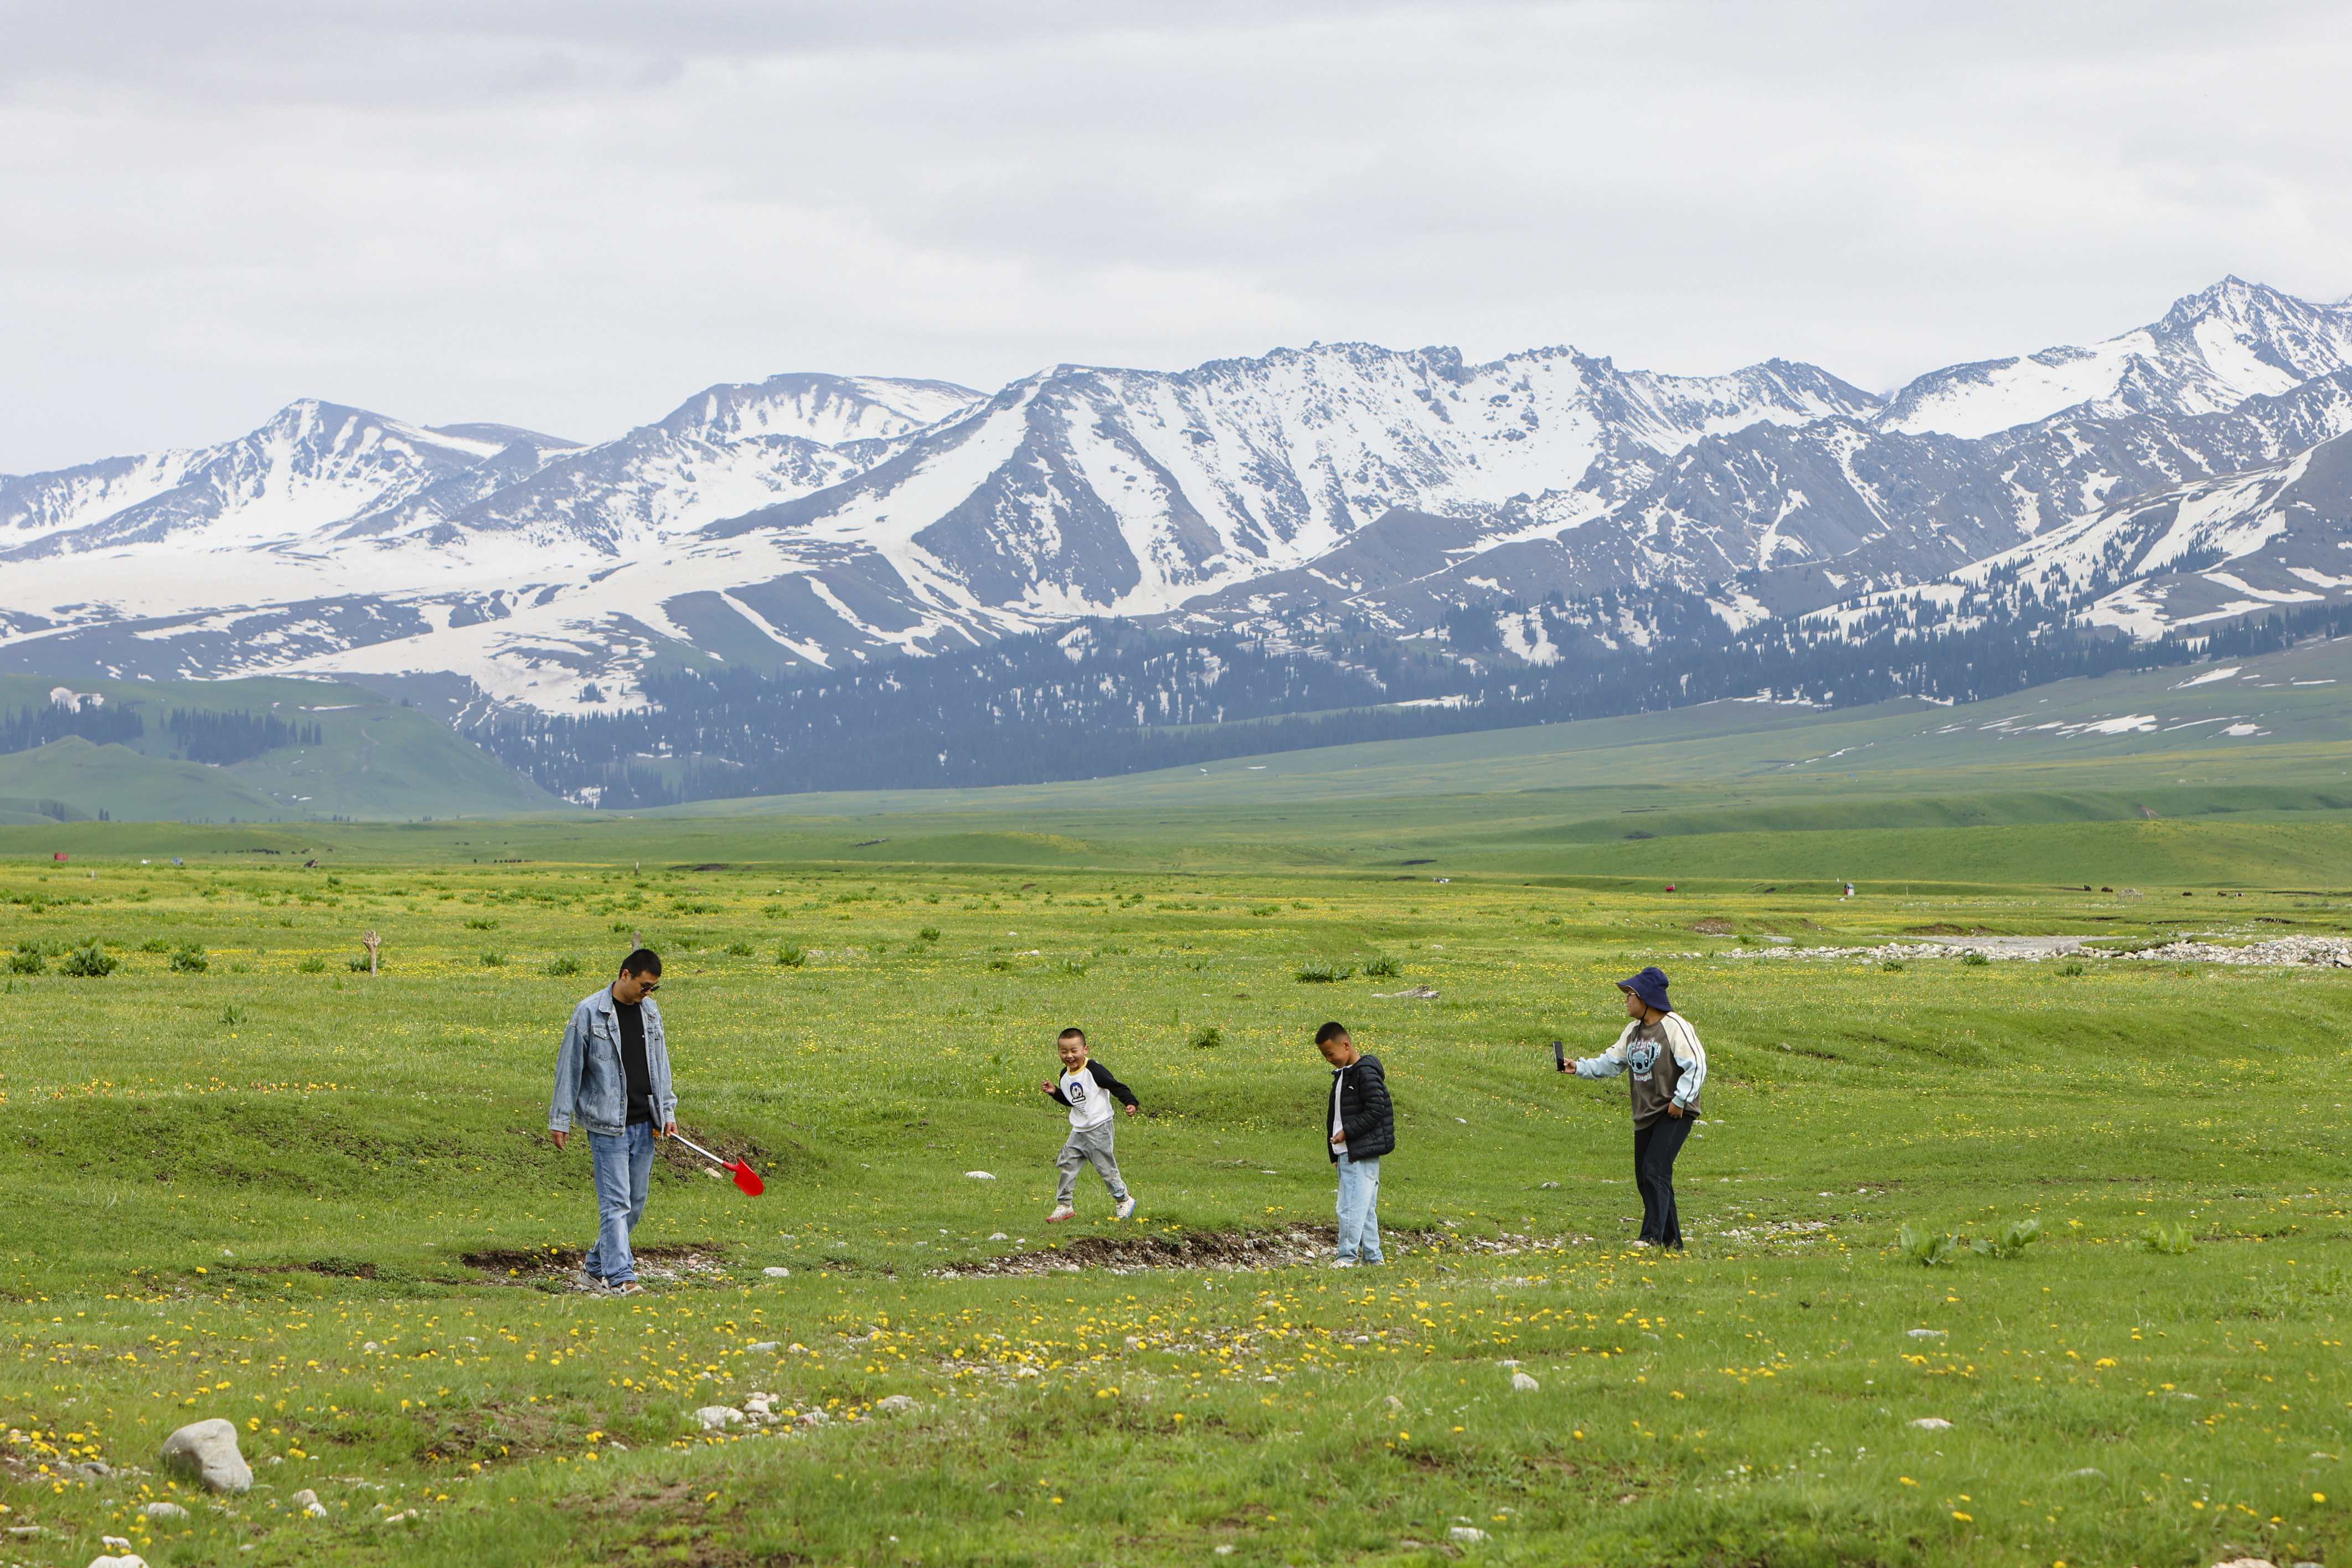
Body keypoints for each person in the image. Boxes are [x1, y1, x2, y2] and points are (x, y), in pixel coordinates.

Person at [549, 949, 677, 1295]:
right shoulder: (589, 1012)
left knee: (634, 1204)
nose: (647, 993)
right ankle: (622, 1278)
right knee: (616, 1203)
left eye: (654, 988)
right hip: (608, 1126)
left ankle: (593, 1268)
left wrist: (667, 1111)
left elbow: (660, 1064)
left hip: (644, 1123)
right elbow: (569, 1068)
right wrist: (561, 1119)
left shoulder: (650, 1012)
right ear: (625, 975)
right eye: (644, 986)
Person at [1561, 966, 1706, 1250]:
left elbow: (1697, 1064)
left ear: (1646, 998)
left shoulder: (1675, 1026)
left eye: (1630, 994)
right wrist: (1578, 1067)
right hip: (1647, 1114)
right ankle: (1672, 1242)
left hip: (1673, 1112)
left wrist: (1679, 1101)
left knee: (1655, 1170)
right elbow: (1612, 1062)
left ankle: (1650, 1238)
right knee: (1648, 1175)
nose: (1626, 1000)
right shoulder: (1633, 1031)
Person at [1040, 1027, 1138, 1223]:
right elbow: (1073, 1101)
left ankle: (1124, 1200)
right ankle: (1065, 1205)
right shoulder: (1065, 1075)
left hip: (1099, 1128)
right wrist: (1056, 1093)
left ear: (1085, 1050)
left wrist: (1130, 1102)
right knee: (1067, 1164)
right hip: (1079, 1130)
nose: (1069, 1056)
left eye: (1074, 1051)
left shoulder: (1095, 1071)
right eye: (1064, 1051)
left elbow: (1116, 1086)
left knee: (1105, 1168)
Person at [1317, 1021, 1394, 1267]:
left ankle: (1347, 1257)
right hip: (1348, 1152)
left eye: (1331, 1053)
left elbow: (1375, 1109)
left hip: (1358, 1151)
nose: (1329, 1059)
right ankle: (1373, 1258)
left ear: (1347, 1045)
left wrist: (1346, 1134)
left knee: (1349, 1208)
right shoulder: (1344, 1075)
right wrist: (1334, 1153)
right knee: (1365, 1209)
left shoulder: (1364, 1072)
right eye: (1325, 1055)